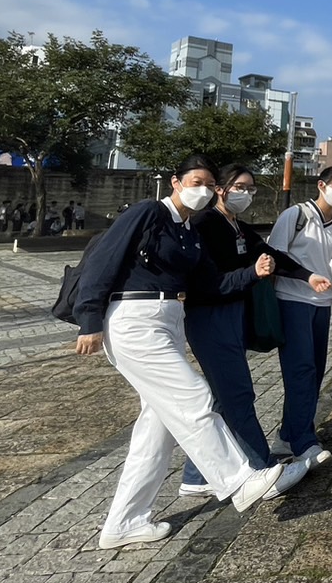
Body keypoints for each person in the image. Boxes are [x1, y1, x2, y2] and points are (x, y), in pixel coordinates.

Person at [72, 154, 287, 548]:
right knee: (194, 398)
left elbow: (212, 284)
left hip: (169, 319)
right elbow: (104, 260)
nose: (203, 190)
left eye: (209, 183)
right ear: (176, 182)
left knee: (157, 429)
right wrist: (89, 319)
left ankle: (125, 522)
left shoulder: (189, 232)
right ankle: (238, 479)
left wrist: (251, 274)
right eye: (196, 181)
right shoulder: (149, 213)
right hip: (134, 318)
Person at [181, 164, 316, 498]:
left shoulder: (236, 226)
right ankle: (261, 467)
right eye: (240, 187)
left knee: (222, 396)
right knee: (238, 394)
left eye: (251, 188)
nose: (246, 194)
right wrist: (251, 274)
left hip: (233, 313)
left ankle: (196, 475)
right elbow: (206, 282)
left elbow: (268, 253)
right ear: (221, 189)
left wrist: (306, 275)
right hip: (210, 316)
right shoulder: (204, 225)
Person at [267, 166, 332, 470]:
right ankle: (305, 443)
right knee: (300, 370)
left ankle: (288, 436)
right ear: (321, 185)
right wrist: (307, 277)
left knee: (314, 371)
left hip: (321, 303)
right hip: (292, 301)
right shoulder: (297, 216)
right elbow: (274, 255)